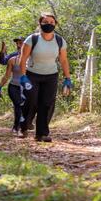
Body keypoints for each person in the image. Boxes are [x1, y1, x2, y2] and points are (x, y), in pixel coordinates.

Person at [17, 13, 72, 142]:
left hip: (51, 76)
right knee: (31, 101)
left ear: (55, 24)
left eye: (52, 22)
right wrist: (23, 76)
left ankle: (41, 133)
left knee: (46, 104)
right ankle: (23, 127)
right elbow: (23, 58)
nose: (49, 24)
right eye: (46, 22)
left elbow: (63, 60)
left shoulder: (59, 41)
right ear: (40, 24)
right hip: (31, 75)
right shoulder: (32, 39)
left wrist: (67, 78)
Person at [0, 47, 25, 135]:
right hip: (14, 87)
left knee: (25, 106)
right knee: (18, 104)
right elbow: (7, 75)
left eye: (21, 44)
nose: (19, 46)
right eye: (17, 44)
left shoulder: (31, 60)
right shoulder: (12, 60)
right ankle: (17, 127)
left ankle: (22, 125)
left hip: (26, 88)